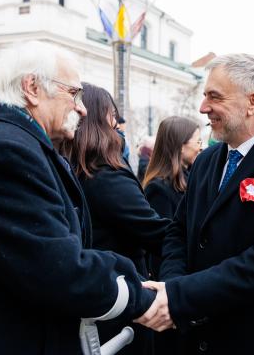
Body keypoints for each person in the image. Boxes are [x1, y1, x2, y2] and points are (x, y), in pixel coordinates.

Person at [0, 41, 157, 354]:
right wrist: (140, 294)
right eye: (73, 93)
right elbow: (59, 269)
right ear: (32, 87)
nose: (81, 107)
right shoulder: (4, 152)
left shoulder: (11, 143)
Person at [137, 53, 254, 354]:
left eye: (215, 97)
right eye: (204, 96)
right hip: (203, 334)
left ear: (252, 102)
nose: (203, 108)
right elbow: (179, 231)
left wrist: (181, 294)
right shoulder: (207, 161)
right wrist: (174, 289)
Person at [60, 83, 171, 355]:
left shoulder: (72, 169)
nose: (118, 124)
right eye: (112, 115)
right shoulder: (106, 177)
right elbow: (155, 232)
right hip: (119, 306)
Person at [141, 116, 202, 355]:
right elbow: (164, 239)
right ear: (179, 146)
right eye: (196, 141)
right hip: (170, 280)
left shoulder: (187, 179)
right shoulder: (159, 187)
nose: (200, 146)